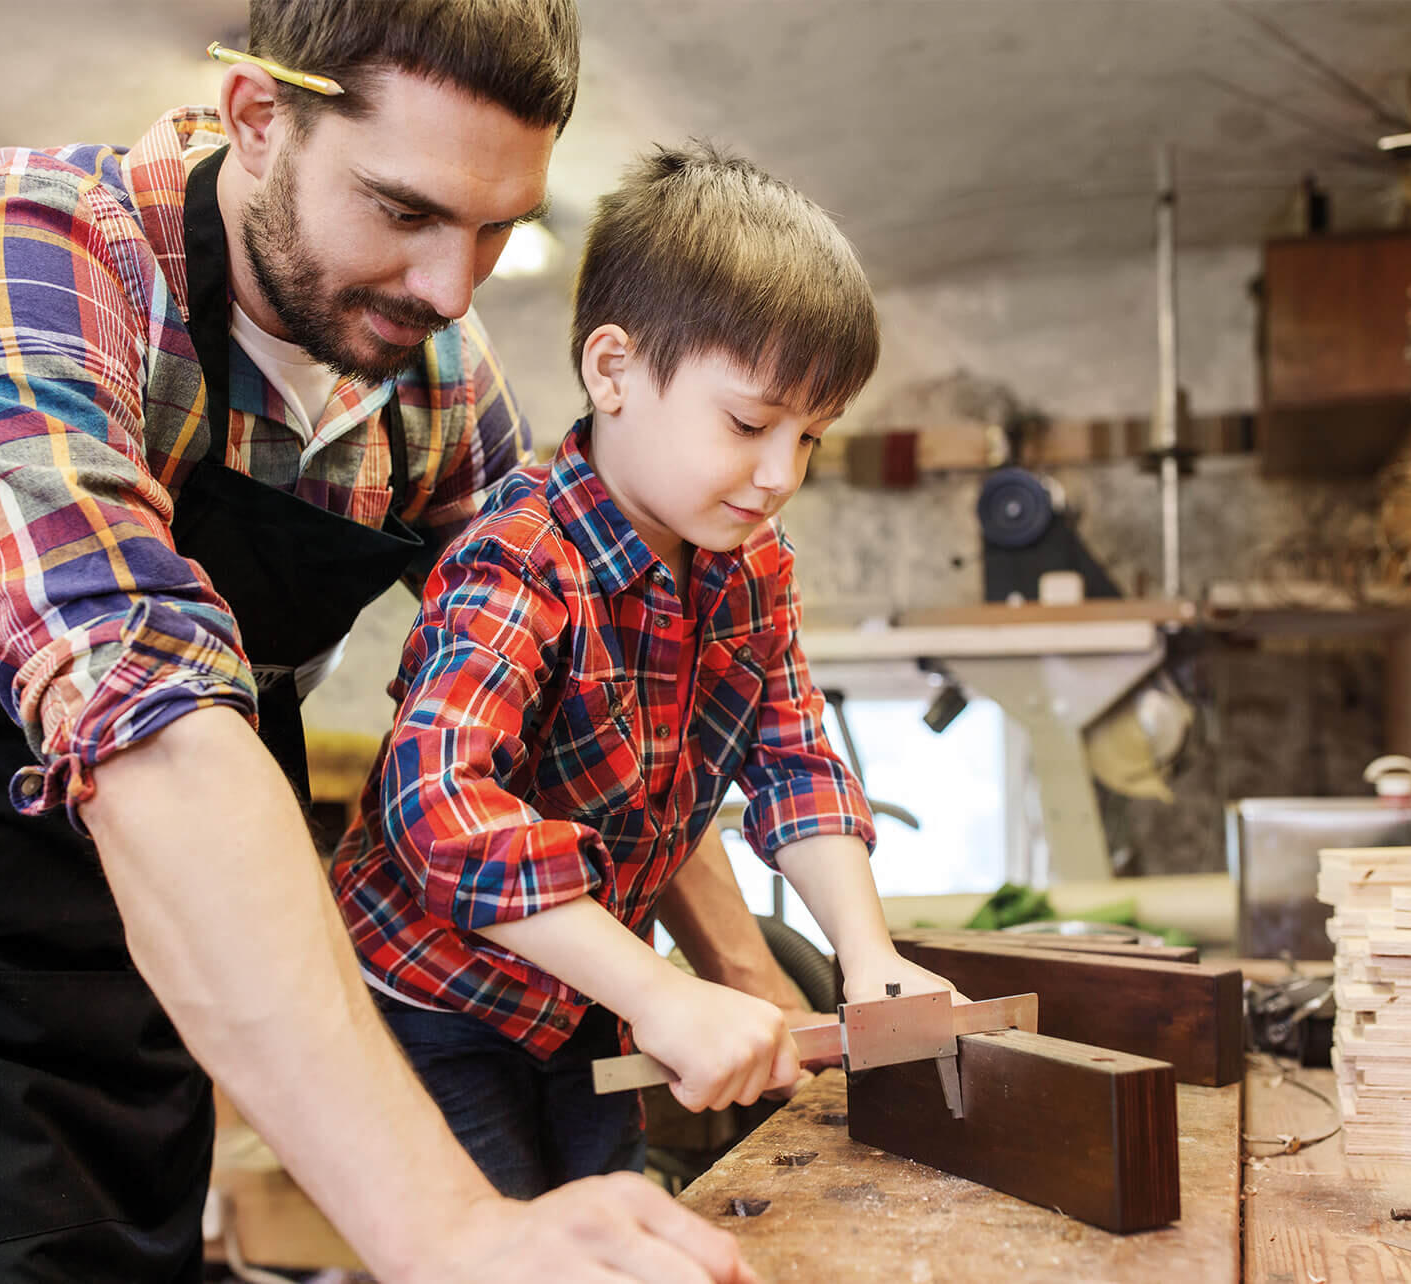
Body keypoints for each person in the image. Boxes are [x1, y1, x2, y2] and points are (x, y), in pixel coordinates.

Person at [0, 3, 760, 1279]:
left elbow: (590, 688)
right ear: (259, 118)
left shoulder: (436, 378)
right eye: (404, 210)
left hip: (168, 980)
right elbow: (142, 713)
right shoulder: (27, 250)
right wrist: (447, 1227)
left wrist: (739, 979)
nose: (450, 286)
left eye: (496, 229)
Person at [332, 142, 959, 1197]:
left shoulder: (750, 566)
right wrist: (658, 993)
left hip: (583, 1005)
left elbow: (795, 762)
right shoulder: (519, 559)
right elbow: (439, 807)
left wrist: (870, 960)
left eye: (811, 437)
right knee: (501, 1252)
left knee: (610, 1218)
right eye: (750, 423)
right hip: (431, 1006)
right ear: (613, 369)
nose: (780, 474)